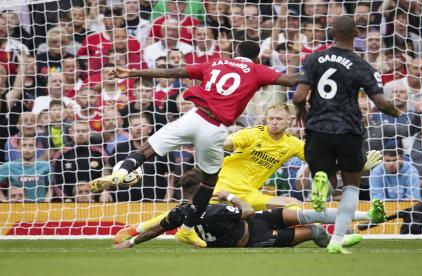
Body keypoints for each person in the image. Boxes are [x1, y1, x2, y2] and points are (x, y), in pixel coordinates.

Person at [89, 41, 301, 248]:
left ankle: (123, 170)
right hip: (214, 128)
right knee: (209, 182)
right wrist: (315, 72)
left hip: (193, 117)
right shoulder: (256, 69)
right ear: (255, 57)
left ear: (235, 52)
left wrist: (132, 73)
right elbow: (291, 80)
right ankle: (188, 229)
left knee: (146, 149)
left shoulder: (215, 63)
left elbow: (173, 72)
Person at [114, 104, 386, 241]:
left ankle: (357, 220)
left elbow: (322, 162)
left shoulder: (293, 144)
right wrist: (211, 142)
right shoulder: (252, 134)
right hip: (222, 185)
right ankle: (135, 229)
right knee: (185, 210)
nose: (274, 122)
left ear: (289, 121)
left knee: (293, 206)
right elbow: (227, 143)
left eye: (279, 119)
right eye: (271, 118)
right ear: (265, 120)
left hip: (249, 193)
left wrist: (356, 166)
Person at [293, 16, 400, 254]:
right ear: (356, 33)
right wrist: (397, 111)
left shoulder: (313, 58)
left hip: (317, 128)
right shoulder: (362, 65)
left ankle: (322, 187)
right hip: (348, 129)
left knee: (326, 178)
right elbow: (381, 104)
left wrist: (302, 112)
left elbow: (298, 97)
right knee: (352, 185)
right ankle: (337, 240)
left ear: (332, 32)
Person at [113, 168, 363, 249]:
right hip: (255, 236)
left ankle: (344, 226)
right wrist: (230, 195)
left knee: (296, 213)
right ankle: (334, 241)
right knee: (311, 230)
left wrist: (132, 242)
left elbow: (157, 229)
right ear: (204, 187)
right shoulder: (214, 209)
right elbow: (247, 211)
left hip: (253, 223)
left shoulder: (178, 213)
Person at [0, 137, 52, 202]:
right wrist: (5, 202)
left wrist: (46, 204)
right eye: (24, 145)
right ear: (18, 148)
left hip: (39, 209)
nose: (27, 149)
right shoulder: (9, 166)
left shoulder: (46, 166)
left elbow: (51, 187)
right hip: (17, 208)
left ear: (36, 147)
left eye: (31, 145)